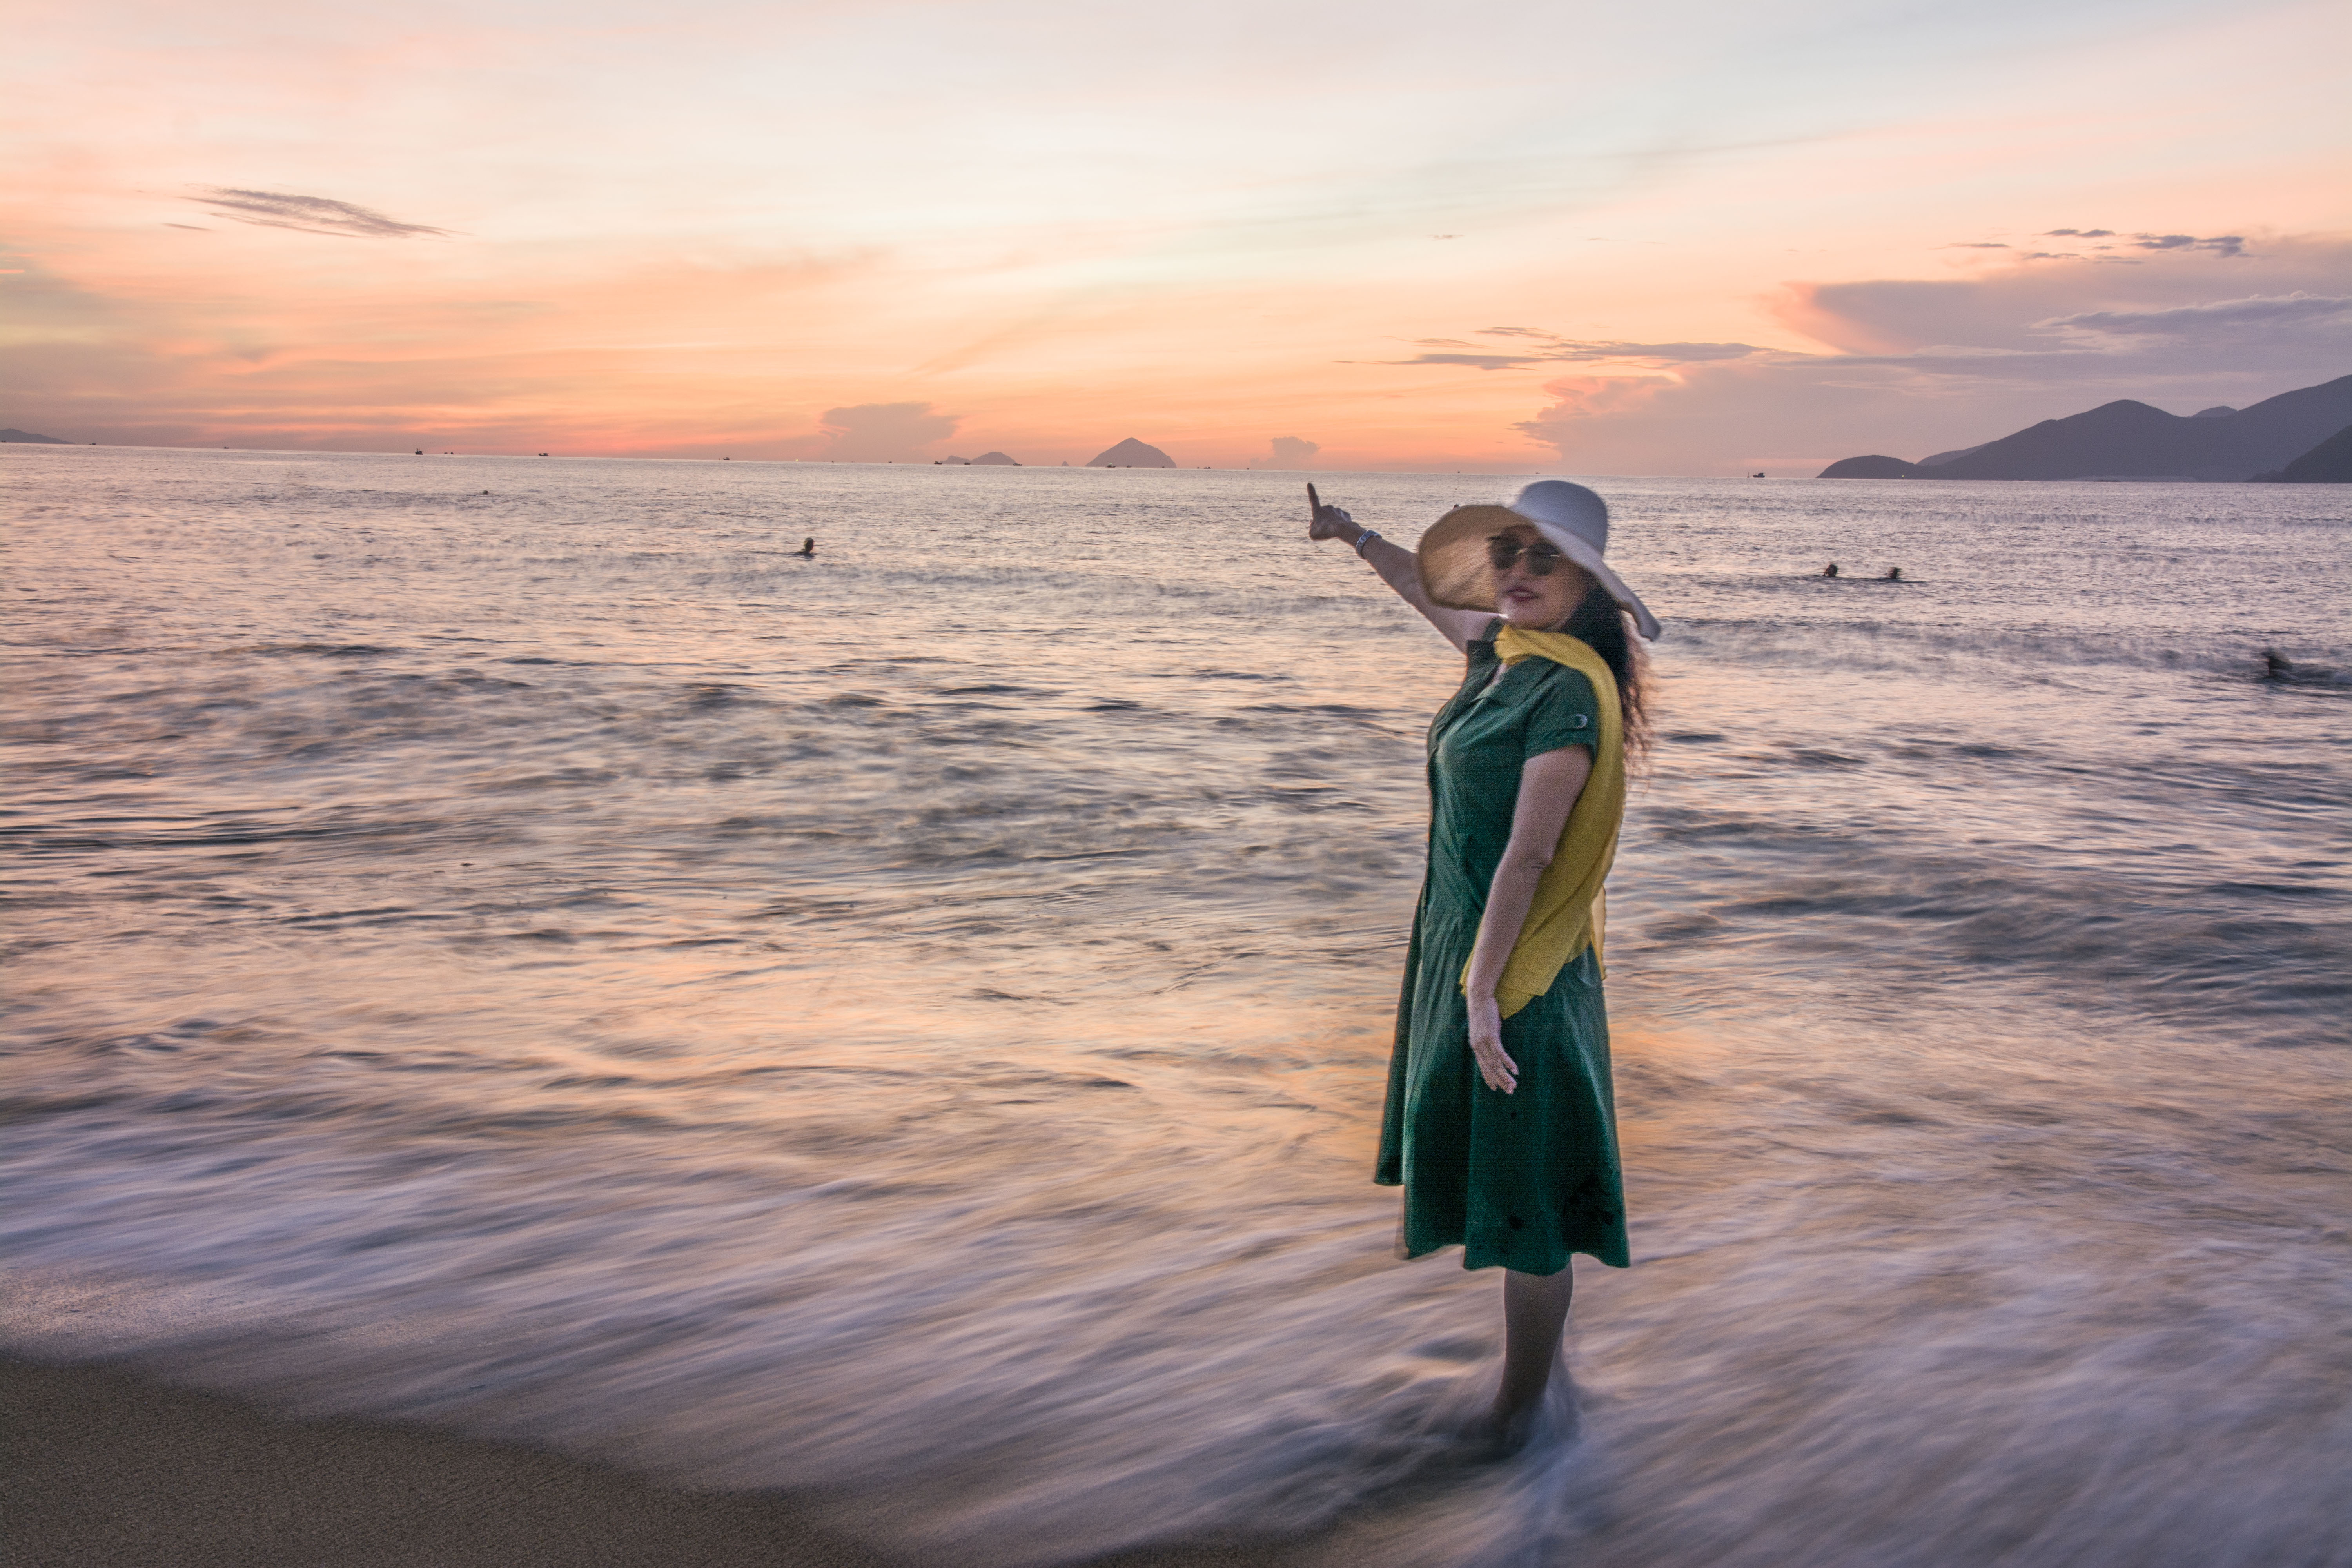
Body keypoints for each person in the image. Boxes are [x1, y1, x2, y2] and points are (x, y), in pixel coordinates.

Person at [1307, 480, 1657, 1451]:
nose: (1517, 570)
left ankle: (1523, 1413)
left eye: (1543, 557)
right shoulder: (1501, 659)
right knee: (1513, 1180)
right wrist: (1351, 534)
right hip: (1465, 946)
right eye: (1508, 550)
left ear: (1587, 582)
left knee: (1533, 1198)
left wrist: (1479, 990)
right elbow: (1424, 594)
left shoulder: (1565, 693)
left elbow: (1531, 856)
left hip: (1520, 974)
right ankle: (1546, 1383)